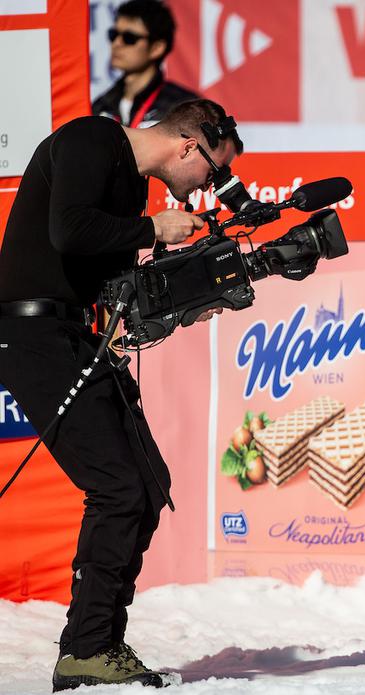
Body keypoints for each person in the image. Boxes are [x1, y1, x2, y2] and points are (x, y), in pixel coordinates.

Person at [0, 99, 242, 690]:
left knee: (147, 484)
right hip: (33, 333)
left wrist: (187, 295)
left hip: (77, 336)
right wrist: (154, 228)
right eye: (212, 172)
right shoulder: (90, 139)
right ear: (189, 145)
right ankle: (85, 650)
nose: (207, 188)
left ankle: (100, 642)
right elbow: (70, 228)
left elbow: (111, 276)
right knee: (116, 486)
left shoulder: (131, 190)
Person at [93, 0, 199, 128]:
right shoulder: (101, 105)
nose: (117, 43)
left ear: (157, 48)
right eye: (113, 34)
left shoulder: (184, 107)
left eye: (129, 38)